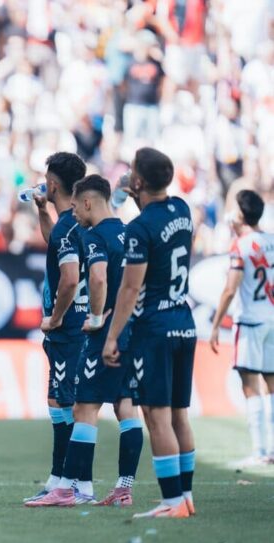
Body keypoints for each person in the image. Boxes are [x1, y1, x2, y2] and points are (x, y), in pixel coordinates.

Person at [26, 175, 143, 507]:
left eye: (76, 207)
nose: (73, 213)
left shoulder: (94, 236)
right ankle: (124, 488)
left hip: (104, 334)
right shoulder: (129, 232)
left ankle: (70, 489)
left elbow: (97, 276)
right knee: (125, 407)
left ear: (88, 202)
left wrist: (95, 317)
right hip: (131, 331)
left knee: (84, 408)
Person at [103, 147, 196, 519]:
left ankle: (172, 502)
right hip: (184, 322)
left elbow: (129, 289)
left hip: (153, 328)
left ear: (138, 181)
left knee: (156, 416)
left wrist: (112, 336)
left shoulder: (140, 228)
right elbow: (158, 222)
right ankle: (185, 498)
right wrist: (136, 189)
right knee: (179, 416)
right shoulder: (184, 210)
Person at [24, 152, 88, 503]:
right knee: (60, 399)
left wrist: (57, 317)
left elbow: (69, 280)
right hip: (79, 322)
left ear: (52, 184)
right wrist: (40, 210)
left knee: (67, 401)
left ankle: (71, 481)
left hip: (69, 325)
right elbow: (56, 243)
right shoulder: (74, 221)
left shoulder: (69, 224)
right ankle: (59, 477)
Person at [210, 189, 274, 466]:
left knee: (250, 386)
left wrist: (214, 326)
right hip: (272, 318)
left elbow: (229, 290)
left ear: (240, 214)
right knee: (272, 385)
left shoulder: (241, 246)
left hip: (249, 321)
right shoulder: (271, 241)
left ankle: (260, 451)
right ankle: (271, 450)